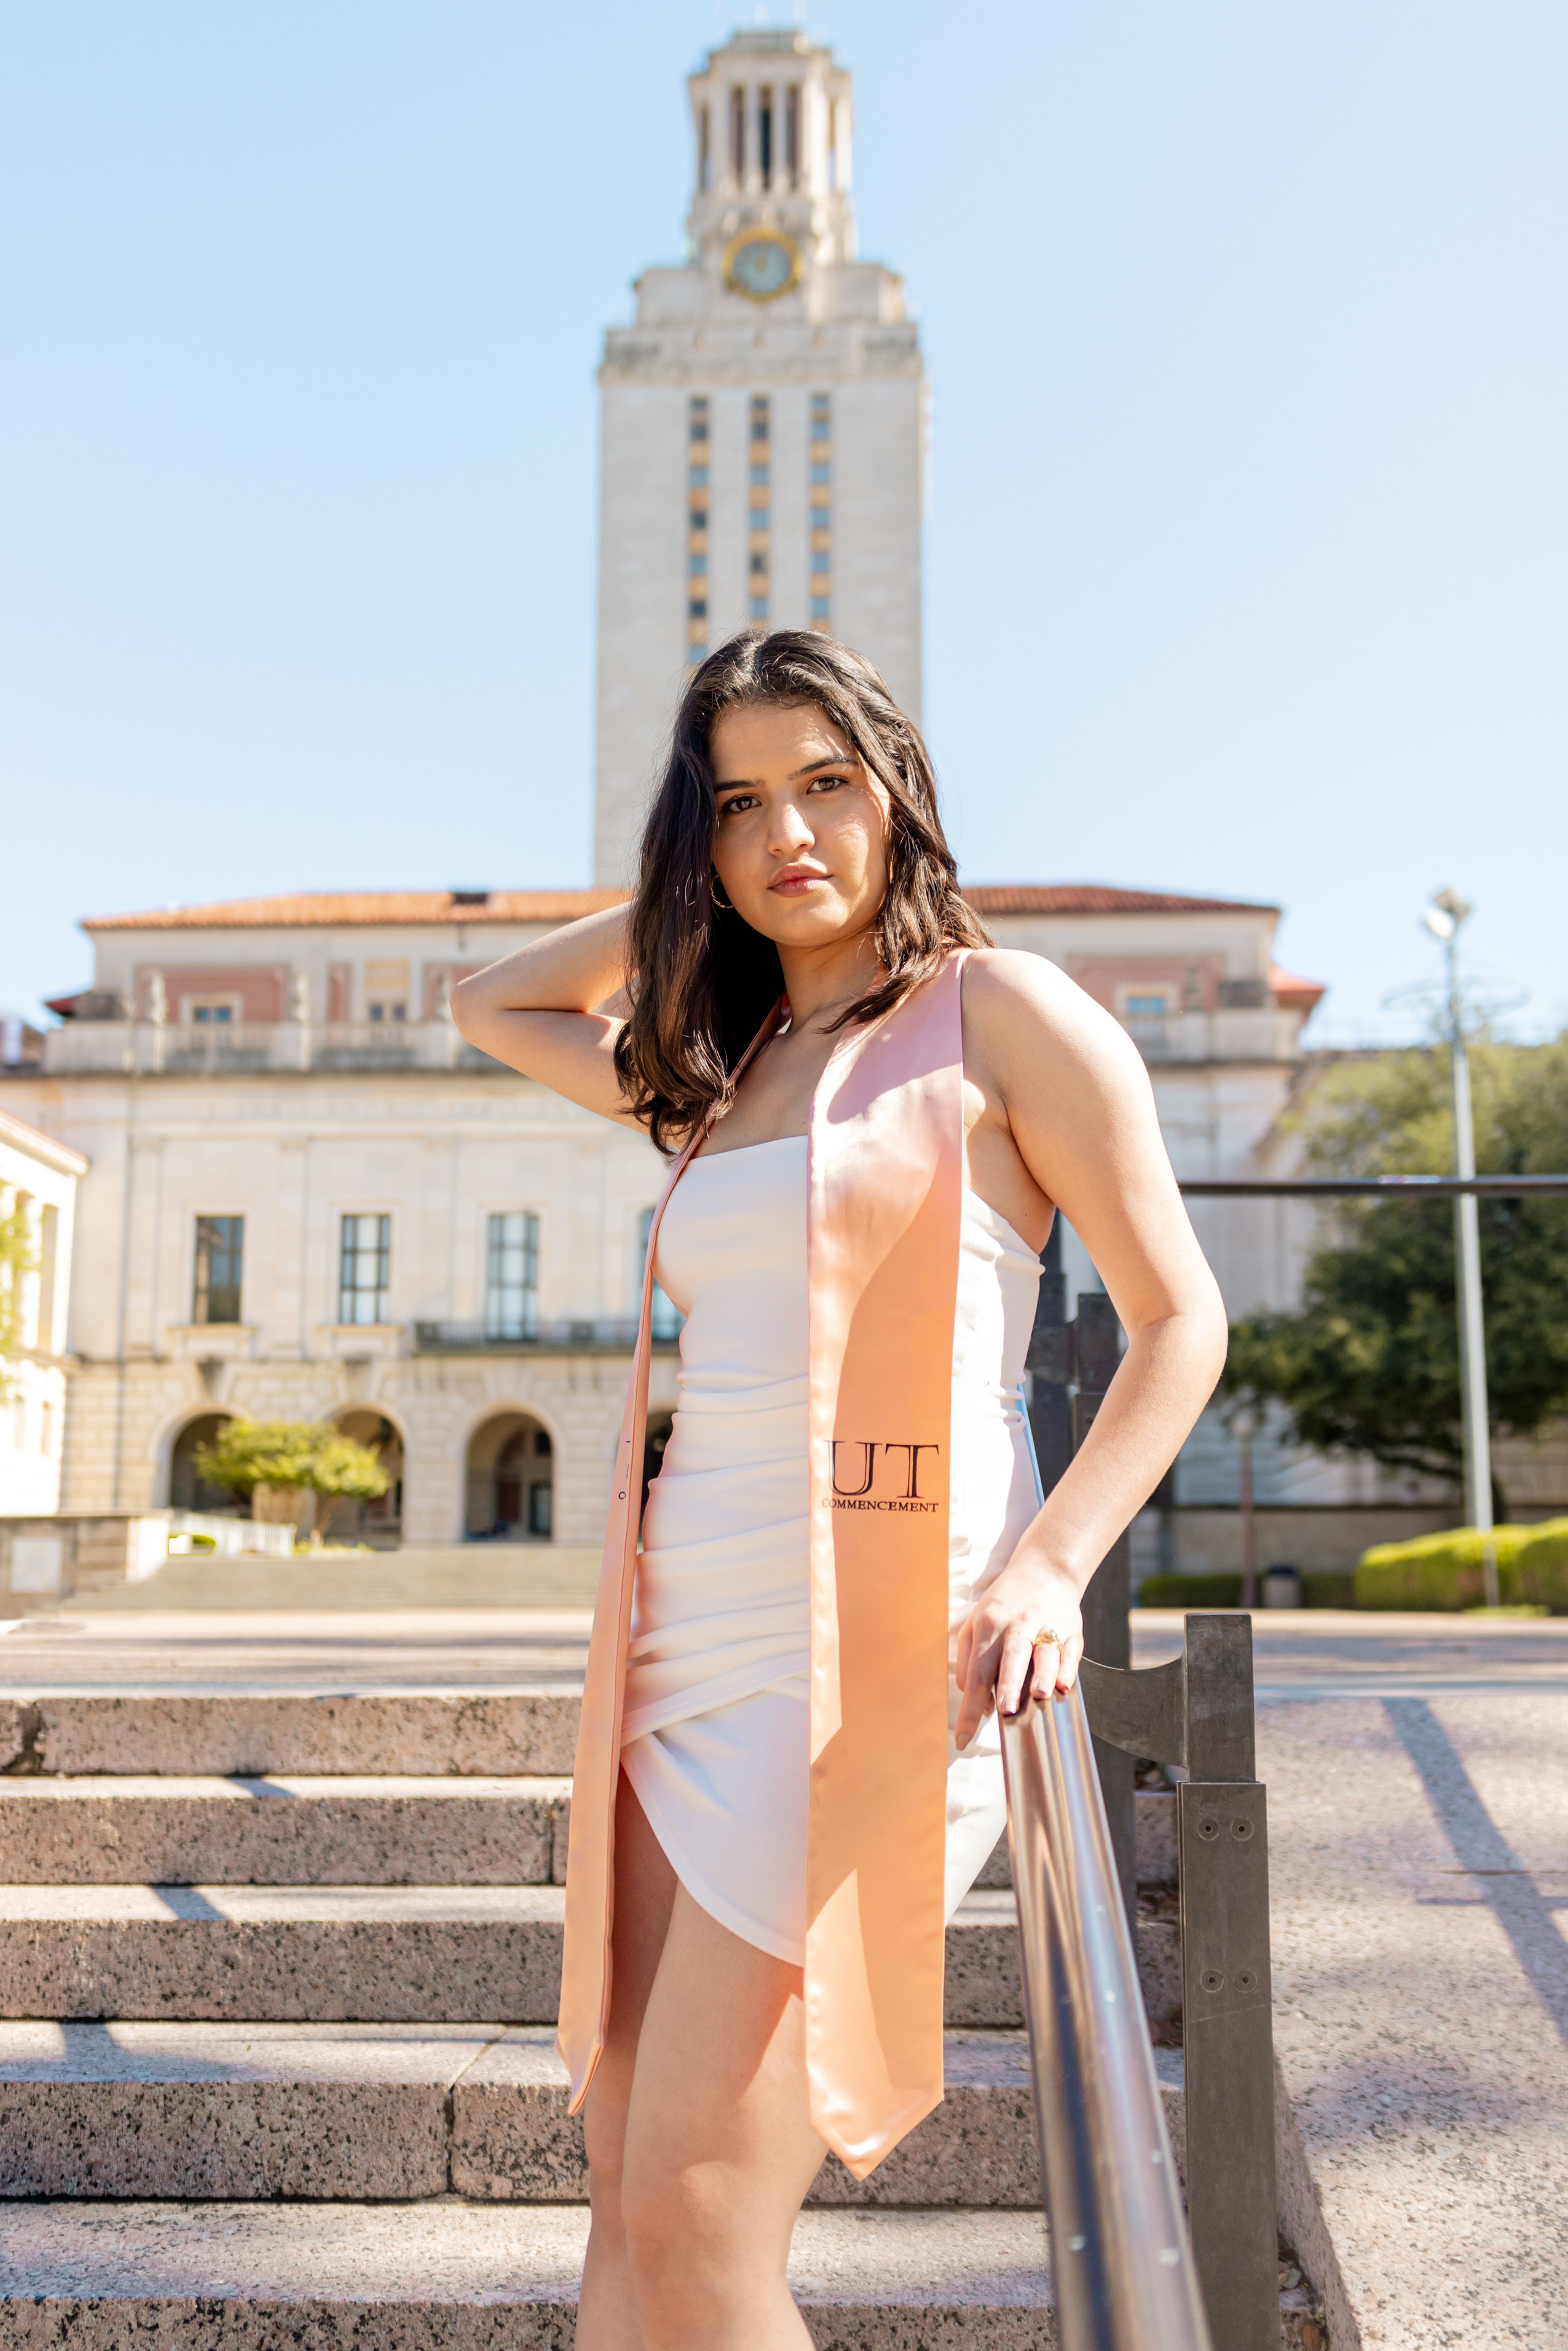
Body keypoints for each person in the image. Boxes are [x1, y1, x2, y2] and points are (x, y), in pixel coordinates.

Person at [451, 628, 1228, 2351]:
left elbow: (1185, 1320)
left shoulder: (1004, 1016)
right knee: (624, 2222)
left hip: (869, 1657)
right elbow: (488, 1003)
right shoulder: (714, 1079)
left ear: (898, 796)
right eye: (738, 806)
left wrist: (1049, 1566)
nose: (788, 833)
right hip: (680, 1652)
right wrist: (681, 905)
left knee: (702, 2217)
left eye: (826, 783)